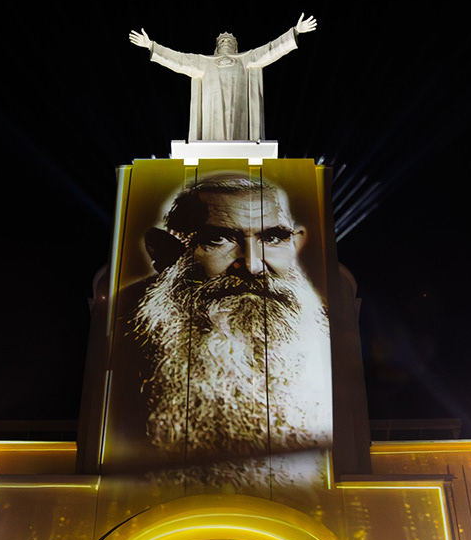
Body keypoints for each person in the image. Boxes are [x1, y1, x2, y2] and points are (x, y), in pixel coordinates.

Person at [110, 176, 333, 487]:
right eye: (218, 239)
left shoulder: (325, 331)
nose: (253, 266)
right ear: (167, 252)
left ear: (295, 243)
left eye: (272, 238)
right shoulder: (124, 337)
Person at [129, 16, 318, 141]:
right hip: (211, 120)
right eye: (221, 41)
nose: (225, 42)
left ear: (236, 47)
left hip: (239, 117)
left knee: (238, 137)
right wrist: (151, 45)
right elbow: (177, 59)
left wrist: (295, 31)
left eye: (229, 41)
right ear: (216, 47)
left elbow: (271, 49)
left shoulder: (246, 59)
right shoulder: (204, 62)